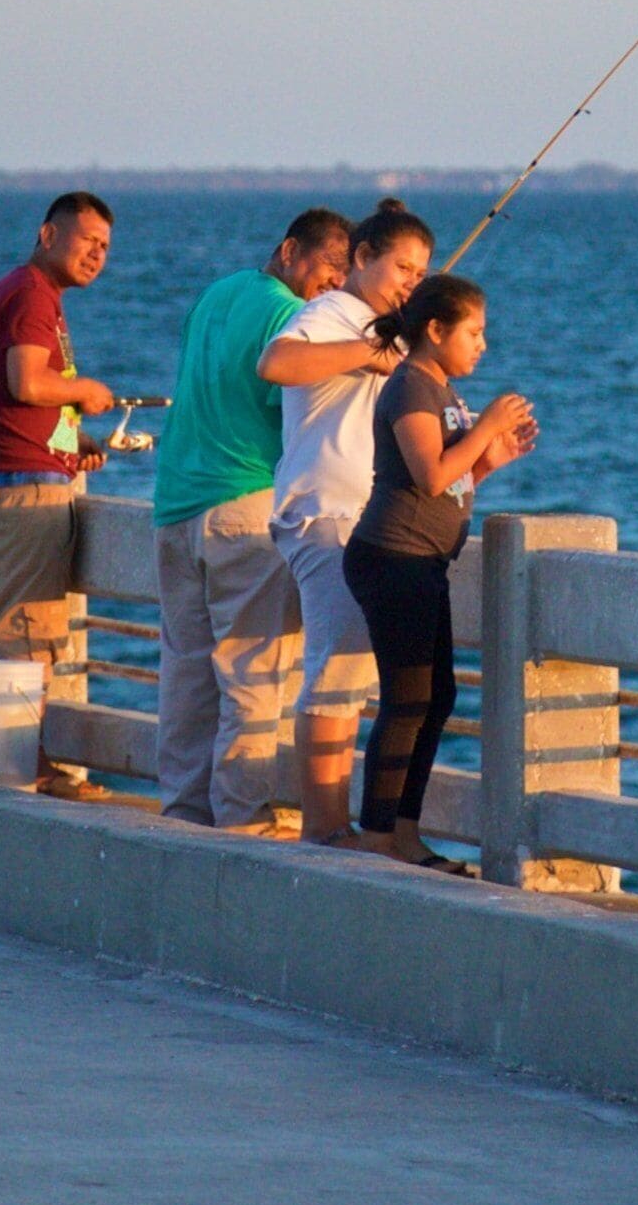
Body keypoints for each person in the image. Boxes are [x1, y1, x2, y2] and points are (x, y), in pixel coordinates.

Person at [150, 206, 355, 832]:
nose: (334, 284)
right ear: (291, 251)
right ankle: (243, 822)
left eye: (345, 275)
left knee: (187, 676)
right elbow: (292, 406)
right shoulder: (290, 318)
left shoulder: (217, 294)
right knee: (252, 678)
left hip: (176, 508)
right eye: (327, 268)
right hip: (245, 506)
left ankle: (184, 817)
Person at [341, 276, 534, 869]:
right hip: (393, 557)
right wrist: (485, 427)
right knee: (408, 698)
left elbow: (447, 483)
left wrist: (490, 459)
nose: (483, 344)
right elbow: (427, 475)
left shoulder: (439, 388)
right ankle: (378, 839)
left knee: (437, 695)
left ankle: (402, 830)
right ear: (435, 331)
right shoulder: (410, 388)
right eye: (474, 332)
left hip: (423, 561)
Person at [258, 199, 427, 842]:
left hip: (362, 520)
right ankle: (324, 829)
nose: (410, 281)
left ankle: (340, 824)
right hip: (324, 515)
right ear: (361, 258)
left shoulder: (385, 327)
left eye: (420, 273)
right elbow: (275, 363)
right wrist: (366, 352)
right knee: (333, 674)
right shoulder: (333, 313)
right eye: (400, 267)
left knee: (351, 673)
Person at [0, 191, 122, 800]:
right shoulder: (31, 294)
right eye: (87, 241)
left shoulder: (22, 292)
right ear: (48, 234)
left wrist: (72, 440)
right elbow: (26, 381)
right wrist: (85, 390)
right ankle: (33, 773)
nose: (96, 255)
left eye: (105, 247)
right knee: (27, 640)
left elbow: (20, 399)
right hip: (22, 499)